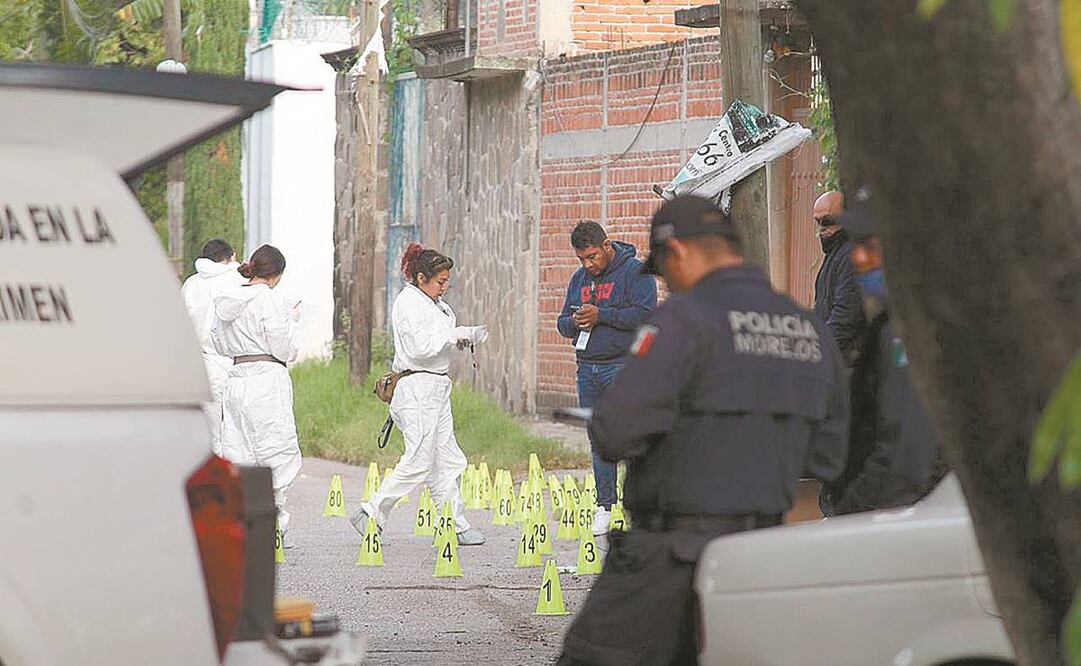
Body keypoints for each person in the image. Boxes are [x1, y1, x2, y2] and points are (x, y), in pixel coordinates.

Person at [558, 195, 849, 665]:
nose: (667, 284)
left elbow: (614, 433)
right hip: (766, 560)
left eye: (664, 272)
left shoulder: (682, 321)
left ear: (678, 253)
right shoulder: (808, 330)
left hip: (671, 558)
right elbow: (830, 456)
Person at [350, 243, 489, 546]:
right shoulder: (408, 303)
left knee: (448, 458)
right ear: (422, 278)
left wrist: (461, 339)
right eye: (440, 281)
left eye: (446, 281)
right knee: (419, 460)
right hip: (416, 388)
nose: (444, 287)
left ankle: (453, 522)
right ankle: (371, 511)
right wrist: (453, 335)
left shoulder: (437, 305)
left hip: (437, 386)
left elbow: (439, 343)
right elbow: (418, 348)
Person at [820, 189, 946, 515]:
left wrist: (851, 512)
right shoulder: (891, 325)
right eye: (857, 245)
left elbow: (905, 454)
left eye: (872, 247)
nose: (860, 259)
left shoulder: (915, 329)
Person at [556, 221, 657, 534]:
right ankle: (605, 505)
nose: (588, 264)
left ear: (607, 245)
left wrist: (602, 315)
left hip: (624, 366)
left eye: (592, 257)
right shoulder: (579, 278)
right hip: (587, 368)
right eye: (581, 259)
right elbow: (561, 323)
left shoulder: (635, 272)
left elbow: (646, 314)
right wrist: (575, 321)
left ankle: (641, 505)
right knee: (599, 439)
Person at [212, 244, 303, 544]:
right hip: (267, 378)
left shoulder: (228, 299)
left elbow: (218, 342)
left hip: (237, 376)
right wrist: (292, 320)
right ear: (277, 274)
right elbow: (284, 347)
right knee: (276, 451)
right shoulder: (270, 299)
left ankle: (239, 523)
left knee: (238, 451)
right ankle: (275, 526)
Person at [181, 238, 244, 455]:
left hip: (199, 364)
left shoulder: (191, 284)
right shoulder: (236, 280)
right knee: (234, 431)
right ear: (231, 256)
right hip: (232, 363)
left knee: (209, 431)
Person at [813, 190, 865, 364]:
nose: (822, 229)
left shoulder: (850, 255)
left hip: (848, 359)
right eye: (818, 222)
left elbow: (846, 316)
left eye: (828, 221)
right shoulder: (835, 254)